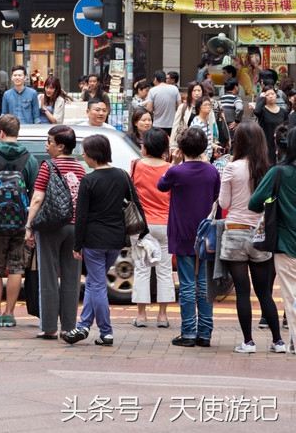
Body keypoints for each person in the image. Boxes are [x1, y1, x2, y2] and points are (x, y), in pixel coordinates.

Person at [62, 134, 145, 347]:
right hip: (116, 240)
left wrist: (77, 244)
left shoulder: (89, 180)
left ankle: (106, 332)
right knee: (93, 282)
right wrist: (142, 231)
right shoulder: (122, 176)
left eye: (85, 153)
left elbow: (80, 216)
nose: (83, 156)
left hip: (93, 240)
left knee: (97, 284)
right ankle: (83, 326)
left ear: (93, 155)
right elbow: (136, 203)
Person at [219, 123, 285, 354]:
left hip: (235, 232)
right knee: (264, 291)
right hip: (260, 234)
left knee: (242, 291)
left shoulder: (231, 167)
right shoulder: (268, 168)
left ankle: (248, 342)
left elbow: (224, 203)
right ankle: (278, 341)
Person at [158, 127, 221, 348]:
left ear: (181, 148)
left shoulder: (176, 172)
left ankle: (188, 332)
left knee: (186, 284)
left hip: (182, 232)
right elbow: (216, 201)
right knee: (204, 285)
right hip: (206, 234)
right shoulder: (212, 171)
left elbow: (161, 185)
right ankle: (205, 333)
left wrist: (174, 163)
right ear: (204, 147)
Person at [25, 125, 87, 340]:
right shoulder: (80, 168)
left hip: (51, 226)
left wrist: (29, 226)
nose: (46, 145)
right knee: (72, 277)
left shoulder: (48, 167)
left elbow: (37, 198)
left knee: (48, 276)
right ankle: (69, 327)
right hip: (74, 227)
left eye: (49, 141)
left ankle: (49, 326)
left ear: (60, 146)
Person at [0, 114, 39, 328]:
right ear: (17, 133)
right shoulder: (30, 159)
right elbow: (35, 193)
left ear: (1, 133)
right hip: (21, 221)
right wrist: (30, 225)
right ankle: (9, 313)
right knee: (16, 267)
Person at [249, 125, 296, 354]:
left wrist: (273, 201)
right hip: (287, 244)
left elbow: (254, 203)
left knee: (291, 295)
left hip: (286, 244)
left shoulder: (279, 172)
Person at [126, 128, 173, 329]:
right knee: (164, 270)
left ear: (145, 148)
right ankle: (162, 316)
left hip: (140, 226)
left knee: (142, 268)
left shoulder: (135, 166)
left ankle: (142, 315)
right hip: (165, 223)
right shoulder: (171, 169)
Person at [252, 86, 287, 166]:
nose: (271, 96)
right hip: (266, 144)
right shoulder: (263, 111)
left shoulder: (283, 112)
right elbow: (256, 112)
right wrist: (262, 99)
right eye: (268, 95)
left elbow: (286, 128)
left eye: (273, 94)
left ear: (276, 95)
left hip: (280, 144)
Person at [146, 70, 182, 136]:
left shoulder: (152, 91)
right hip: (172, 124)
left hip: (157, 125)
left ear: (155, 79)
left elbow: (149, 109)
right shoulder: (174, 89)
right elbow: (180, 106)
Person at [189, 96, 219, 162]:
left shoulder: (206, 121)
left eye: (209, 104)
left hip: (207, 157)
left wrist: (214, 146)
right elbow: (195, 142)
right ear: (199, 107)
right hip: (199, 159)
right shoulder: (196, 123)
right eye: (205, 105)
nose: (208, 107)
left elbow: (205, 140)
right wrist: (203, 157)